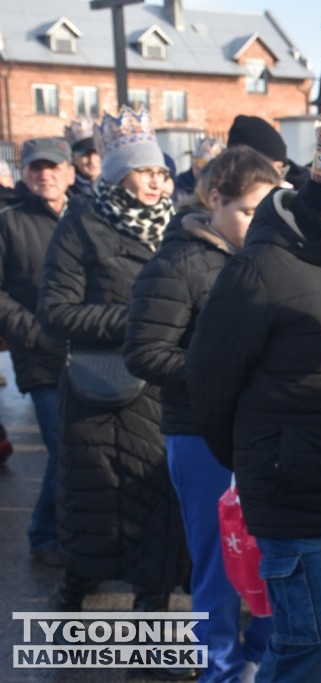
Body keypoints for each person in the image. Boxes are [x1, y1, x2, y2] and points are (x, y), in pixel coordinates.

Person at [187, 112, 321, 683]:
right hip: (293, 493)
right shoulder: (261, 268)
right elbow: (208, 384)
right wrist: (262, 462)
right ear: (316, 199)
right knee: (319, 643)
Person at [125, 146, 280, 683]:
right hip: (199, 435)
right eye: (248, 211)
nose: (258, 223)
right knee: (216, 564)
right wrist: (218, 371)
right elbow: (144, 351)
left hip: (258, 431)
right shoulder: (176, 262)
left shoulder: (262, 256)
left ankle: (260, 656)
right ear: (214, 200)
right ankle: (218, 668)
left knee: (269, 554)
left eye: (267, 212)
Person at [37, 106, 188, 632]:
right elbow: (55, 312)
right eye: (145, 171)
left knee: (159, 513)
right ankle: (72, 598)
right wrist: (137, 321)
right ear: (119, 171)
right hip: (99, 392)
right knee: (96, 507)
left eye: (162, 172)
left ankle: (151, 619)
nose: (157, 181)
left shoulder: (178, 225)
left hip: (160, 391)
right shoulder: (82, 224)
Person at [0, 138, 74, 567]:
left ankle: (54, 531)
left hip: (84, 350)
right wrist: (30, 329)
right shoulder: (8, 222)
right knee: (61, 443)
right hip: (38, 354)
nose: (44, 174)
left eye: (52, 167)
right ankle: (46, 536)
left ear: (68, 172)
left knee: (77, 446)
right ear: (24, 174)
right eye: (35, 168)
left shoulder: (84, 215)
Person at [227, 114, 309, 189]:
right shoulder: (224, 193)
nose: (276, 175)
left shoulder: (301, 188)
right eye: (268, 169)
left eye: (279, 167)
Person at [173, 136, 223, 209]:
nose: (200, 173)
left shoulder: (222, 187)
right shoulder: (180, 184)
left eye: (206, 168)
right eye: (197, 167)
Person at [65, 117, 101, 197]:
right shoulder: (65, 191)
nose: (92, 160)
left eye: (96, 153)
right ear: (73, 158)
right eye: (84, 154)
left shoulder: (118, 185)